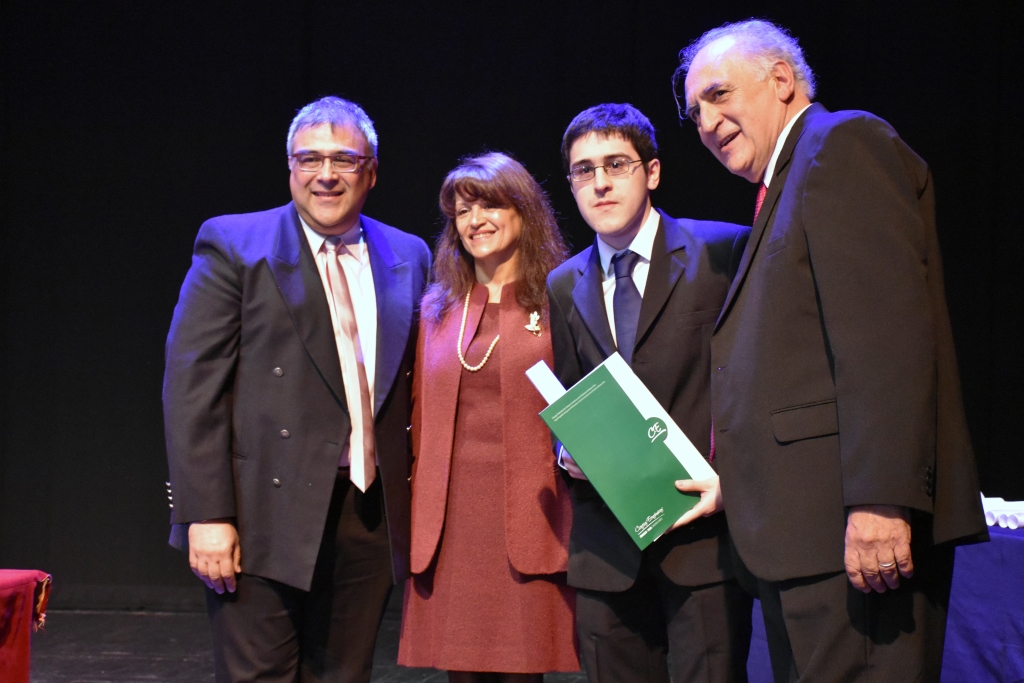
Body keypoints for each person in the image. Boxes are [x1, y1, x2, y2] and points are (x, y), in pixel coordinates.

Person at [674, 20, 988, 681]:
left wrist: (881, 499)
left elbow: (886, 338)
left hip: (854, 537)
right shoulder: (783, 186)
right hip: (804, 538)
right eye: (696, 111)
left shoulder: (840, 144)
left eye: (719, 94)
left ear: (781, 79)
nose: (706, 120)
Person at [162, 96, 431, 683]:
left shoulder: (408, 255)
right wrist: (205, 513)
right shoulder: (235, 244)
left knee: (343, 675)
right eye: (309, 158)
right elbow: (192, 386)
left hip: (368, 513)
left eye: (344, 159)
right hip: (263, 512)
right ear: (290, 167)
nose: (326, 174)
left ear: (372, 171)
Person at [546, 103, 753, 683]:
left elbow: (755, 384)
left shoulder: (722, 252)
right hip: (605, 550)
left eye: (616, 164)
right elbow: (572, 395)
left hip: (703, 539)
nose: (601, 182)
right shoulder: (564, 283)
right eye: (584, 171)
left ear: (652, 172)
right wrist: (567, 451)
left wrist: (733, 480)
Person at [398, 152, 579, 683]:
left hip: (531, 522)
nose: (474, 220)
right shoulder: (437, 308)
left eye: (489, 204)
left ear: (524, 210)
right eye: (461, 211)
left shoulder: (562, 300)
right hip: (452, 528)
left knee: (521, 672)